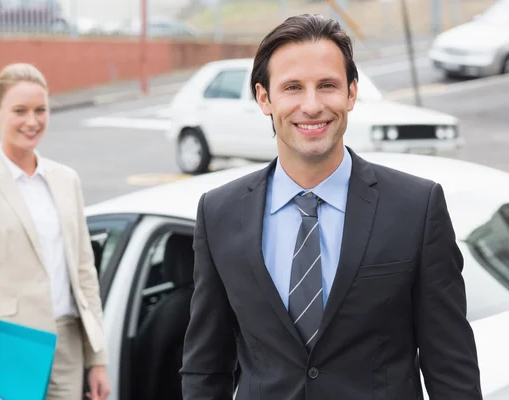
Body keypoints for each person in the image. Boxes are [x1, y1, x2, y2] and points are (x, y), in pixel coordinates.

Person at [181, 14, 482, 400]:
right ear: (263, 98)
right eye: (292, 87)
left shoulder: (417, 208)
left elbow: (451, 367)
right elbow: (205, 368)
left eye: (327, 86)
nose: (312, 105)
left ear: (351, 93)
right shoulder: (218, 213)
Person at [0, 63, 111, 400]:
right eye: (19, 111)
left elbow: (83, 274)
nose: (32, 121)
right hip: (10, 347)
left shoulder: (66, 180)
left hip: (68, 345)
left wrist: (97, 360)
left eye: (40, 110)